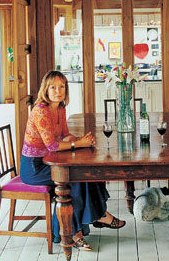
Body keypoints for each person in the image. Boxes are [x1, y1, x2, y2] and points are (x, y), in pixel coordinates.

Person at [20, 70, 125, 251]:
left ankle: (99, 214)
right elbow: (52, 145)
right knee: (74, 179)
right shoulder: (40, 112)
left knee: (89, 170)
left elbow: (65, 135)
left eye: (62, 87)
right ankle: (74, 234)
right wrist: (78, 144)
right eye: (53, 87)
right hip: (34, 168)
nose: (58, 91)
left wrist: (81, 139)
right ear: (45, 89)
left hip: (47, 161)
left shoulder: (60, 108)